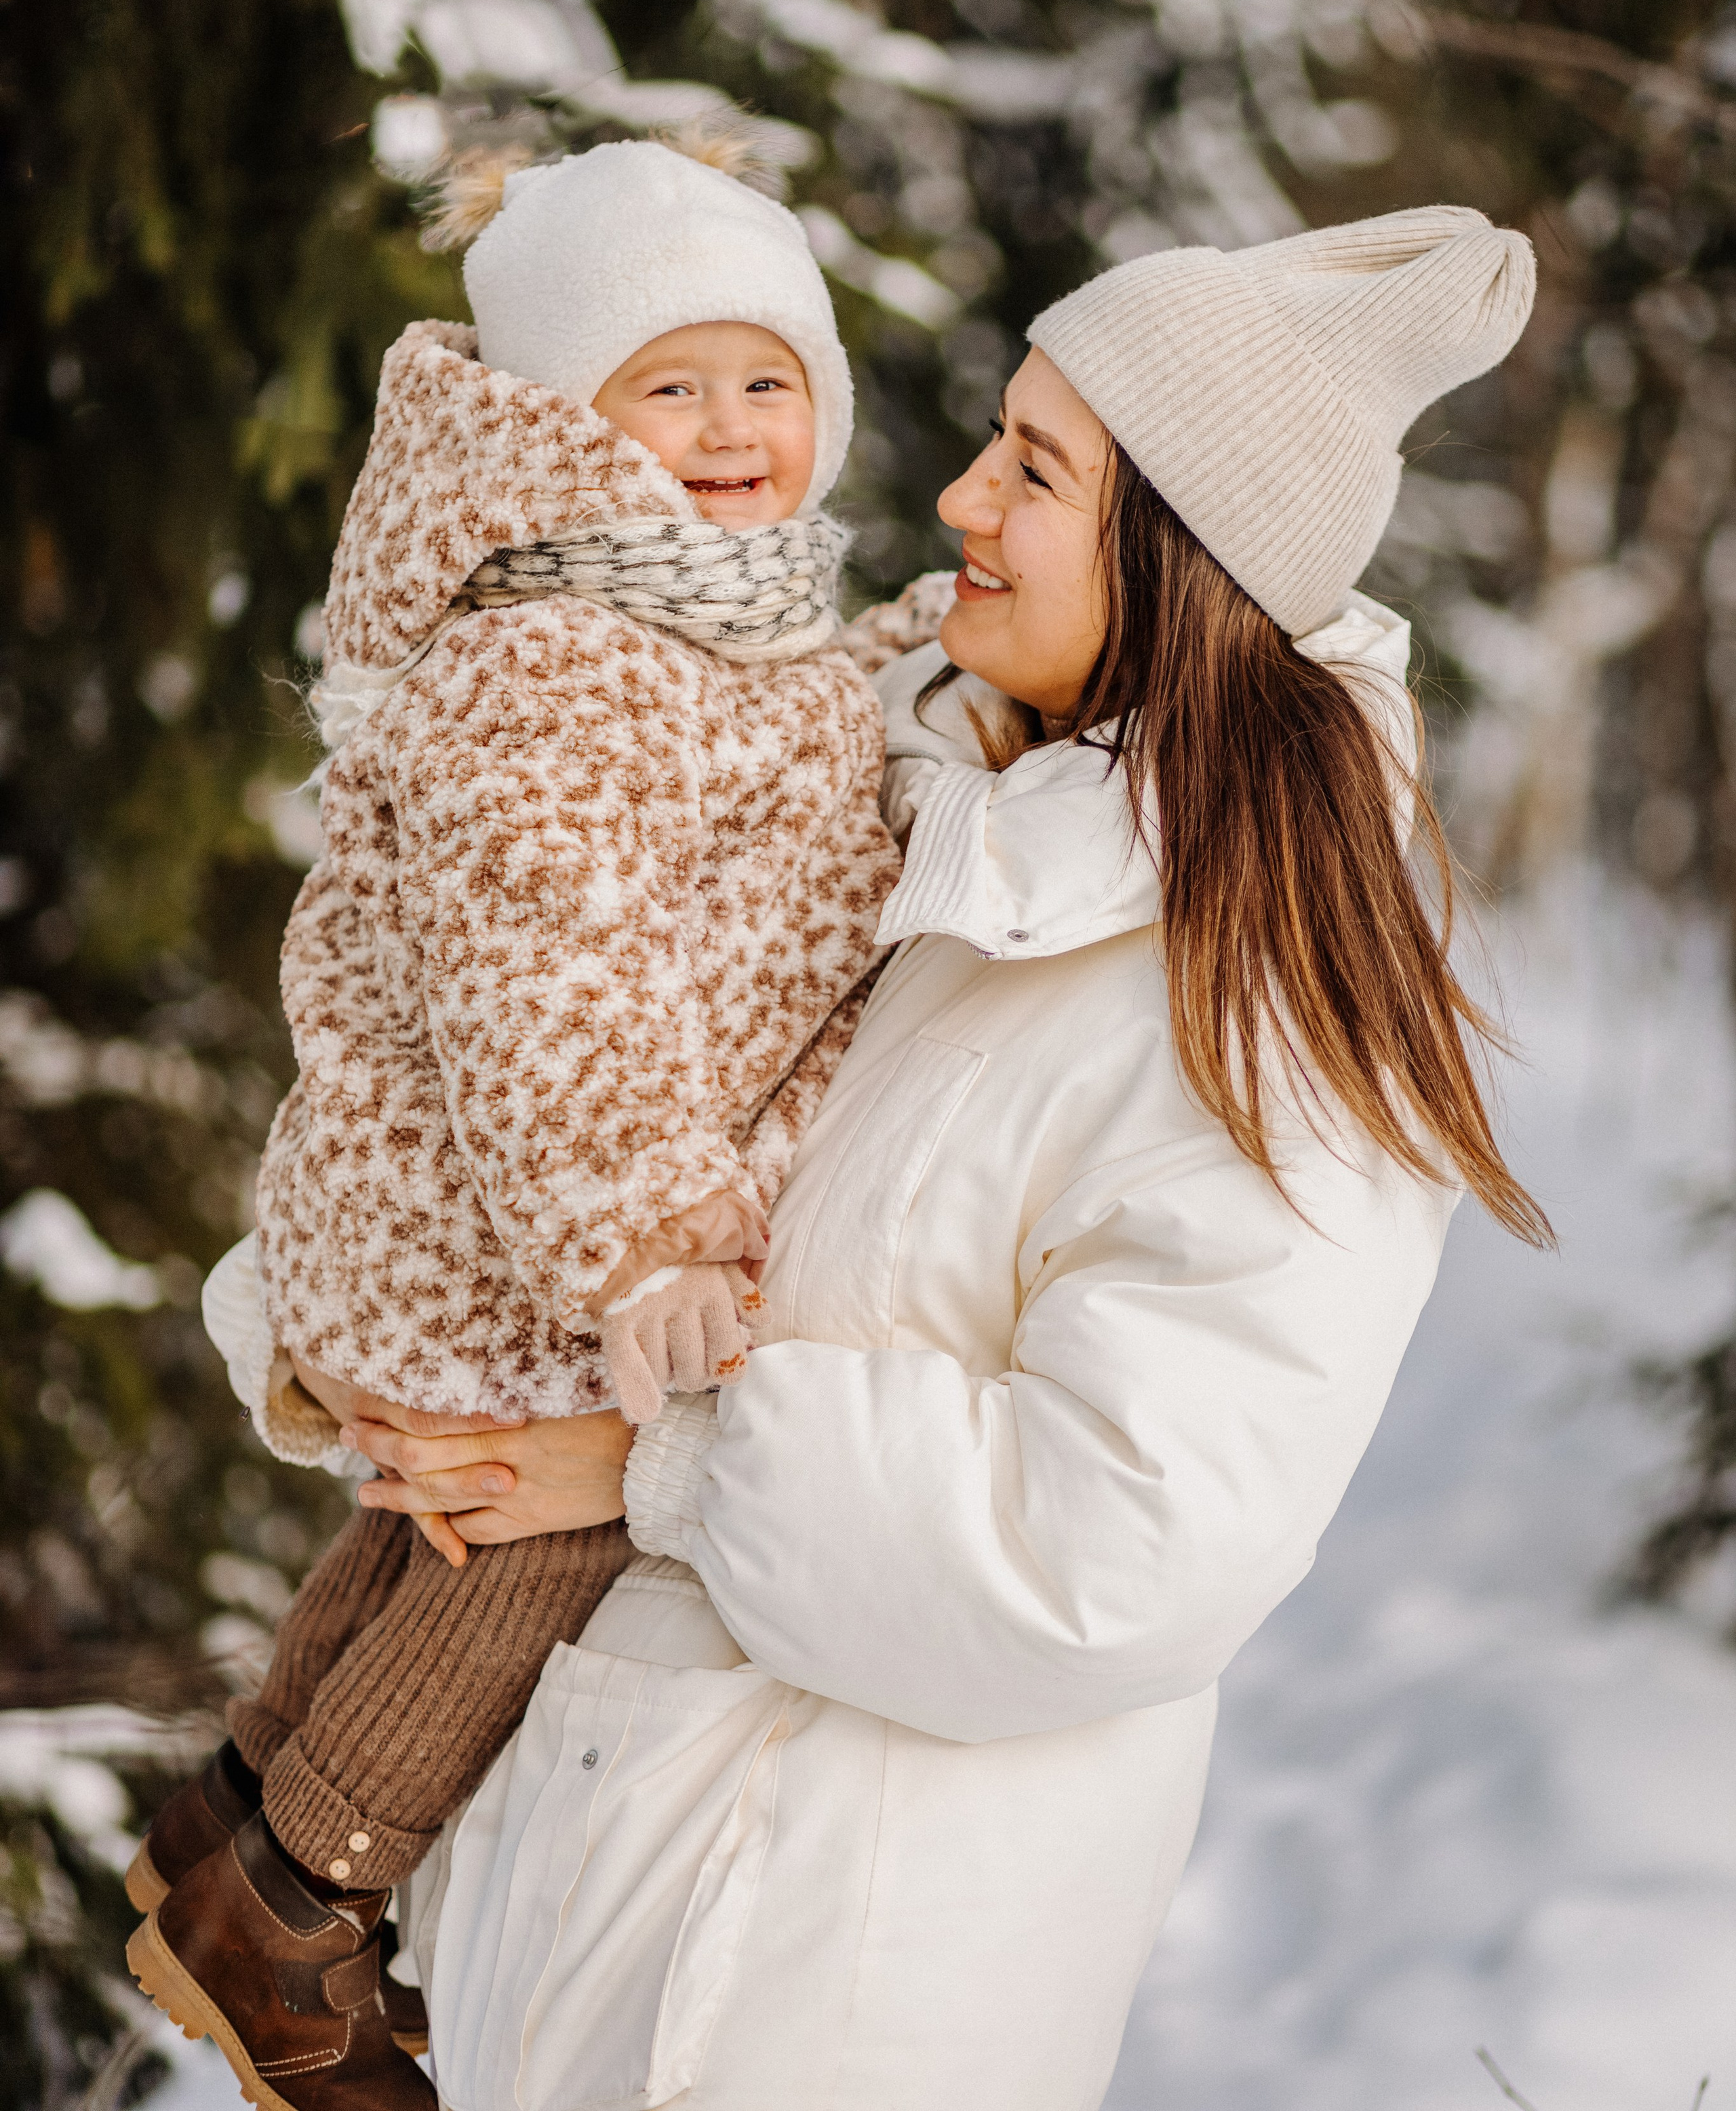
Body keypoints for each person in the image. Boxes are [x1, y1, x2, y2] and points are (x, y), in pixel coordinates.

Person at [318, 205, 1552, 2111]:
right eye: (995, 433)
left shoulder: (1263, 1008)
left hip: (831, 1975)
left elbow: (1117, 1549)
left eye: (1037, 471)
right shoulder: (928, 812)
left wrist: (660, 1465)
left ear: (1184, 561)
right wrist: (359, 1308)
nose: (964, 494)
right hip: (603, 1892)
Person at [126, 130, 905, 2111]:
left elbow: (793, 715)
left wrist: (918, 648)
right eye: (669, 386)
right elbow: (549, 963)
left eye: (767, 378)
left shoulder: (690, 606)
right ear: (563, 422)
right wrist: (644, 1240)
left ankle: (232, 1819)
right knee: (532, 1533)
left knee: (429, 1523)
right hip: (507, 1215)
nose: (729, 428)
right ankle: (300, 1901)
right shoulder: (558, 648)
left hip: (459, 1204)